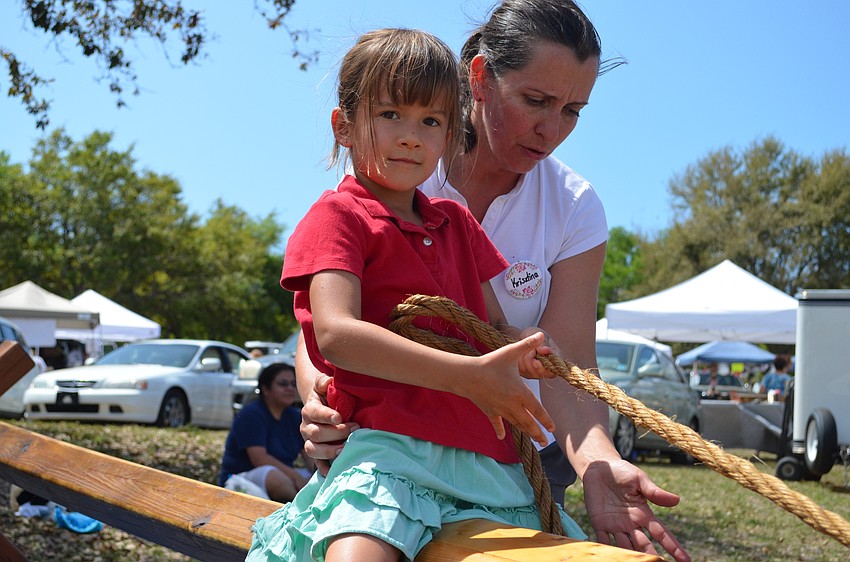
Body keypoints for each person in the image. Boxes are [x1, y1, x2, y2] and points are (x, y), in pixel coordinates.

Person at [296, 2, 691, 561]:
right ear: (479, 79)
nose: (551, 129)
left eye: (573, 110)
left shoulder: (574, 206)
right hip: (388, 439)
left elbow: (564, 360)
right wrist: (321, 403)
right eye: (535, 101)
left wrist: (600, 462)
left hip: (507, 453)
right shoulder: (394, 166)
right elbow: (326, 322)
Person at [247, 27, 586, 562]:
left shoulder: (456, 223)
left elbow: (490, 329)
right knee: (360, 555)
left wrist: (523, 344)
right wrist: (470, 377)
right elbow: (335, 334)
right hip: (389, 453)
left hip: (485, 463)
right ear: (344, 127)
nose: (411, 136)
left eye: (430, 121)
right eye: (390, 115)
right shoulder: (338, 217)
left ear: (450, 134)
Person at [219, 360, 314, 502]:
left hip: (284, 473)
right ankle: (305, 506)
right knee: (273, 476)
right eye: (283, 384)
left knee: (316, 478)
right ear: (265, 389)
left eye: (293, 384)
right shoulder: (252, 415)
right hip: (242, 478)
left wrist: (316, 475)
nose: (290, 388)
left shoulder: (294, 416)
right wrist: (296, 478)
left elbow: (308, 455)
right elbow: (260, 459)